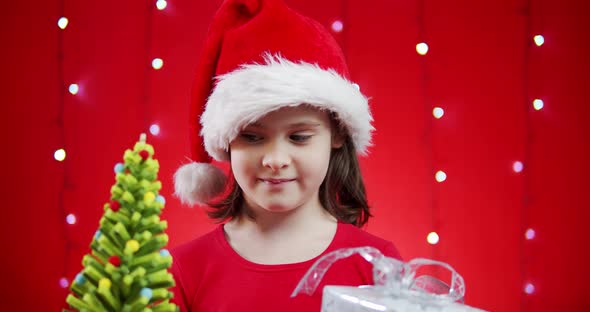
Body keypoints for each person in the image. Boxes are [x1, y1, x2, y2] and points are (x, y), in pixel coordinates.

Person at [170, 0, 401, 311]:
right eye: (252, 137)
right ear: (226, 143)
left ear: (337, 134)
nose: (275, 159)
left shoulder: (378, 266)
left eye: (298, 137)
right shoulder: (184, 269)